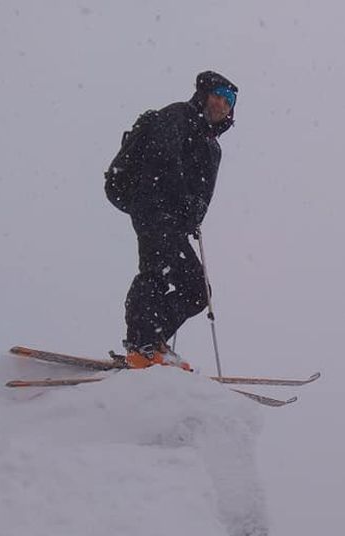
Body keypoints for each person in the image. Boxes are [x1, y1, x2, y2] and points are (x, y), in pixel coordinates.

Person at [115, 71, 238, 369]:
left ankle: (152, 341)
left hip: (176, 221)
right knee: (155, 271)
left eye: (229, 101)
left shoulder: (212, 145)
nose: (222, 104)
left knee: (197, 290)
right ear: (204, 94)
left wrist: (193, 214)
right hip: (152, 207)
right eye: (218, 96)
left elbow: (201, 190)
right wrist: (181, 200)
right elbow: (162, 159)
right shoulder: (178, 115)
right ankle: (142, 345)